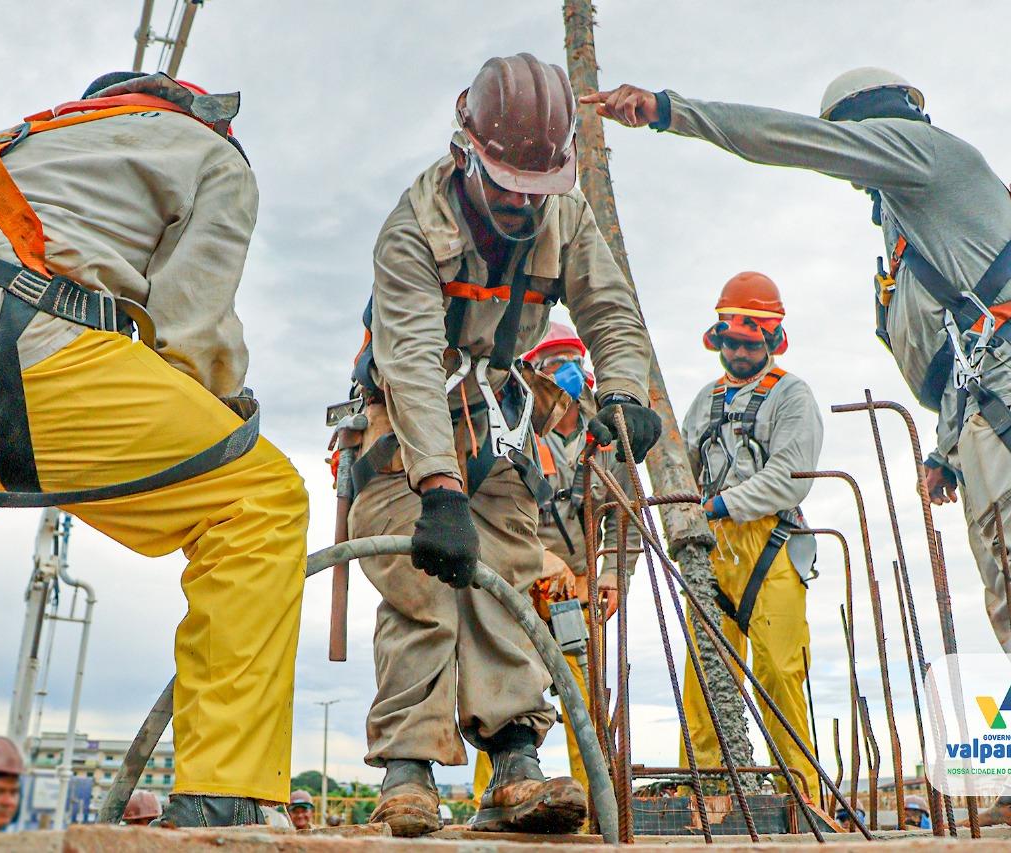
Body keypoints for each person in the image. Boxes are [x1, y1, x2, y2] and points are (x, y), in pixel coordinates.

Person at [584, 68, 1011, 837]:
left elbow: (794, 144)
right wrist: (946, 446)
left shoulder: (926, 156)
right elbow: (957, 342)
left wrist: (672, 113)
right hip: (982, 406)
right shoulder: (912, 227)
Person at [0, 71, 308, 829]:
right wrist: (216, 418)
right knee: (259, 498)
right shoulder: (209, 151)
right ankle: (225, 792)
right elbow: (191, 331)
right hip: (23, 355)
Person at [348, 53, 657, 837]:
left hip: (496, 417)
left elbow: (613, 314)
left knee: (509, 576)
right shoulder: (413, 227)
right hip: (403, 422)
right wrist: (439, 491)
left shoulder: (568, 216)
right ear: (467, 152)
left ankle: (516, 761)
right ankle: (409, 769)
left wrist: (623, 391)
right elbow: (412, 366)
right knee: (420, 583)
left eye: (537, 190)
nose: (523, 205)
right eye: (508, 187)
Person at [471, 322, 642, 811]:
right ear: (533, 372)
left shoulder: (607, 435)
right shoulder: (511, 425)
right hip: (521, 579)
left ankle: (595, 806)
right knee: (506, 688)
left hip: (580, 588)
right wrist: (537, 558)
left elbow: (625, 514)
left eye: (574, 359)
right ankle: (503, 797)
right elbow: (489, 509)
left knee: (587, 699)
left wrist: (612, 576)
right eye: (554, 362)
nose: (568, 371)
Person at [678, 272, 821, 799]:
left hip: (772, 547)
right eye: (729, 342)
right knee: (705, 678)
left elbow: (790, 476)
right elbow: (680, 469)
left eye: (747, 342)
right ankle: (707, 793)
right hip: (714, 550)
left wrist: (718, 504)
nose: (737, 351)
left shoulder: (792, 397)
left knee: (780, 672)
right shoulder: (705, 401)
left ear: (770, 340)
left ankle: (799, 796)